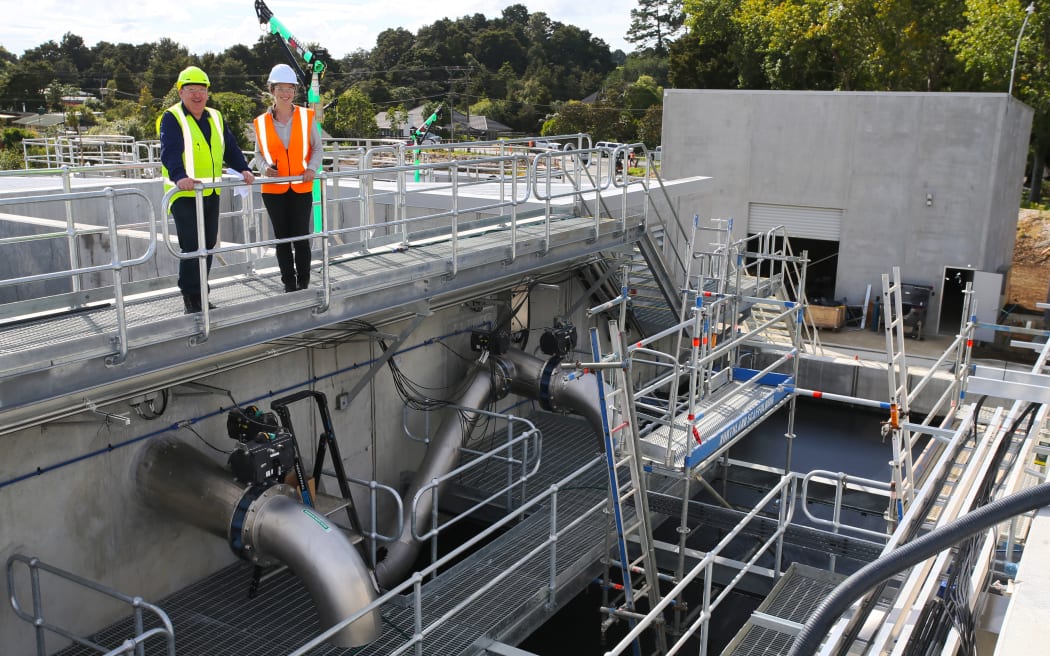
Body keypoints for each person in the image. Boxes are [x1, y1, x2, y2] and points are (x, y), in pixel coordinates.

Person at [159, 65, 255, 314]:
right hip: (184, 194)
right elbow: (169, 152)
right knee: (192, 246)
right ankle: (191, 298)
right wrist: (180, 176)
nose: (197, 95)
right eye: (191, 90)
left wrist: (243, 168)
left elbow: (230, 148)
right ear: (180, 92)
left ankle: (201, 293)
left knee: (209, 245)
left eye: (202, 90)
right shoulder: (173, 117)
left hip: (211, 191)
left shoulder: (215, 116)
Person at [253, 63, 323, 292]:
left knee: (301, 236)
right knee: (282, 239)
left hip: (301, 186)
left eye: (290, 88)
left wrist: (311, 169)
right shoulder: (261, 123)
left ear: (295, 91)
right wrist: (264, 169)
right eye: (280, 88)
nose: (286, 93)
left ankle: (303, 281)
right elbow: (258, 153)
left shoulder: (305, 117)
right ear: (272, 90)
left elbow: (317, 148)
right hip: (274, 190)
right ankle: (288, 284)